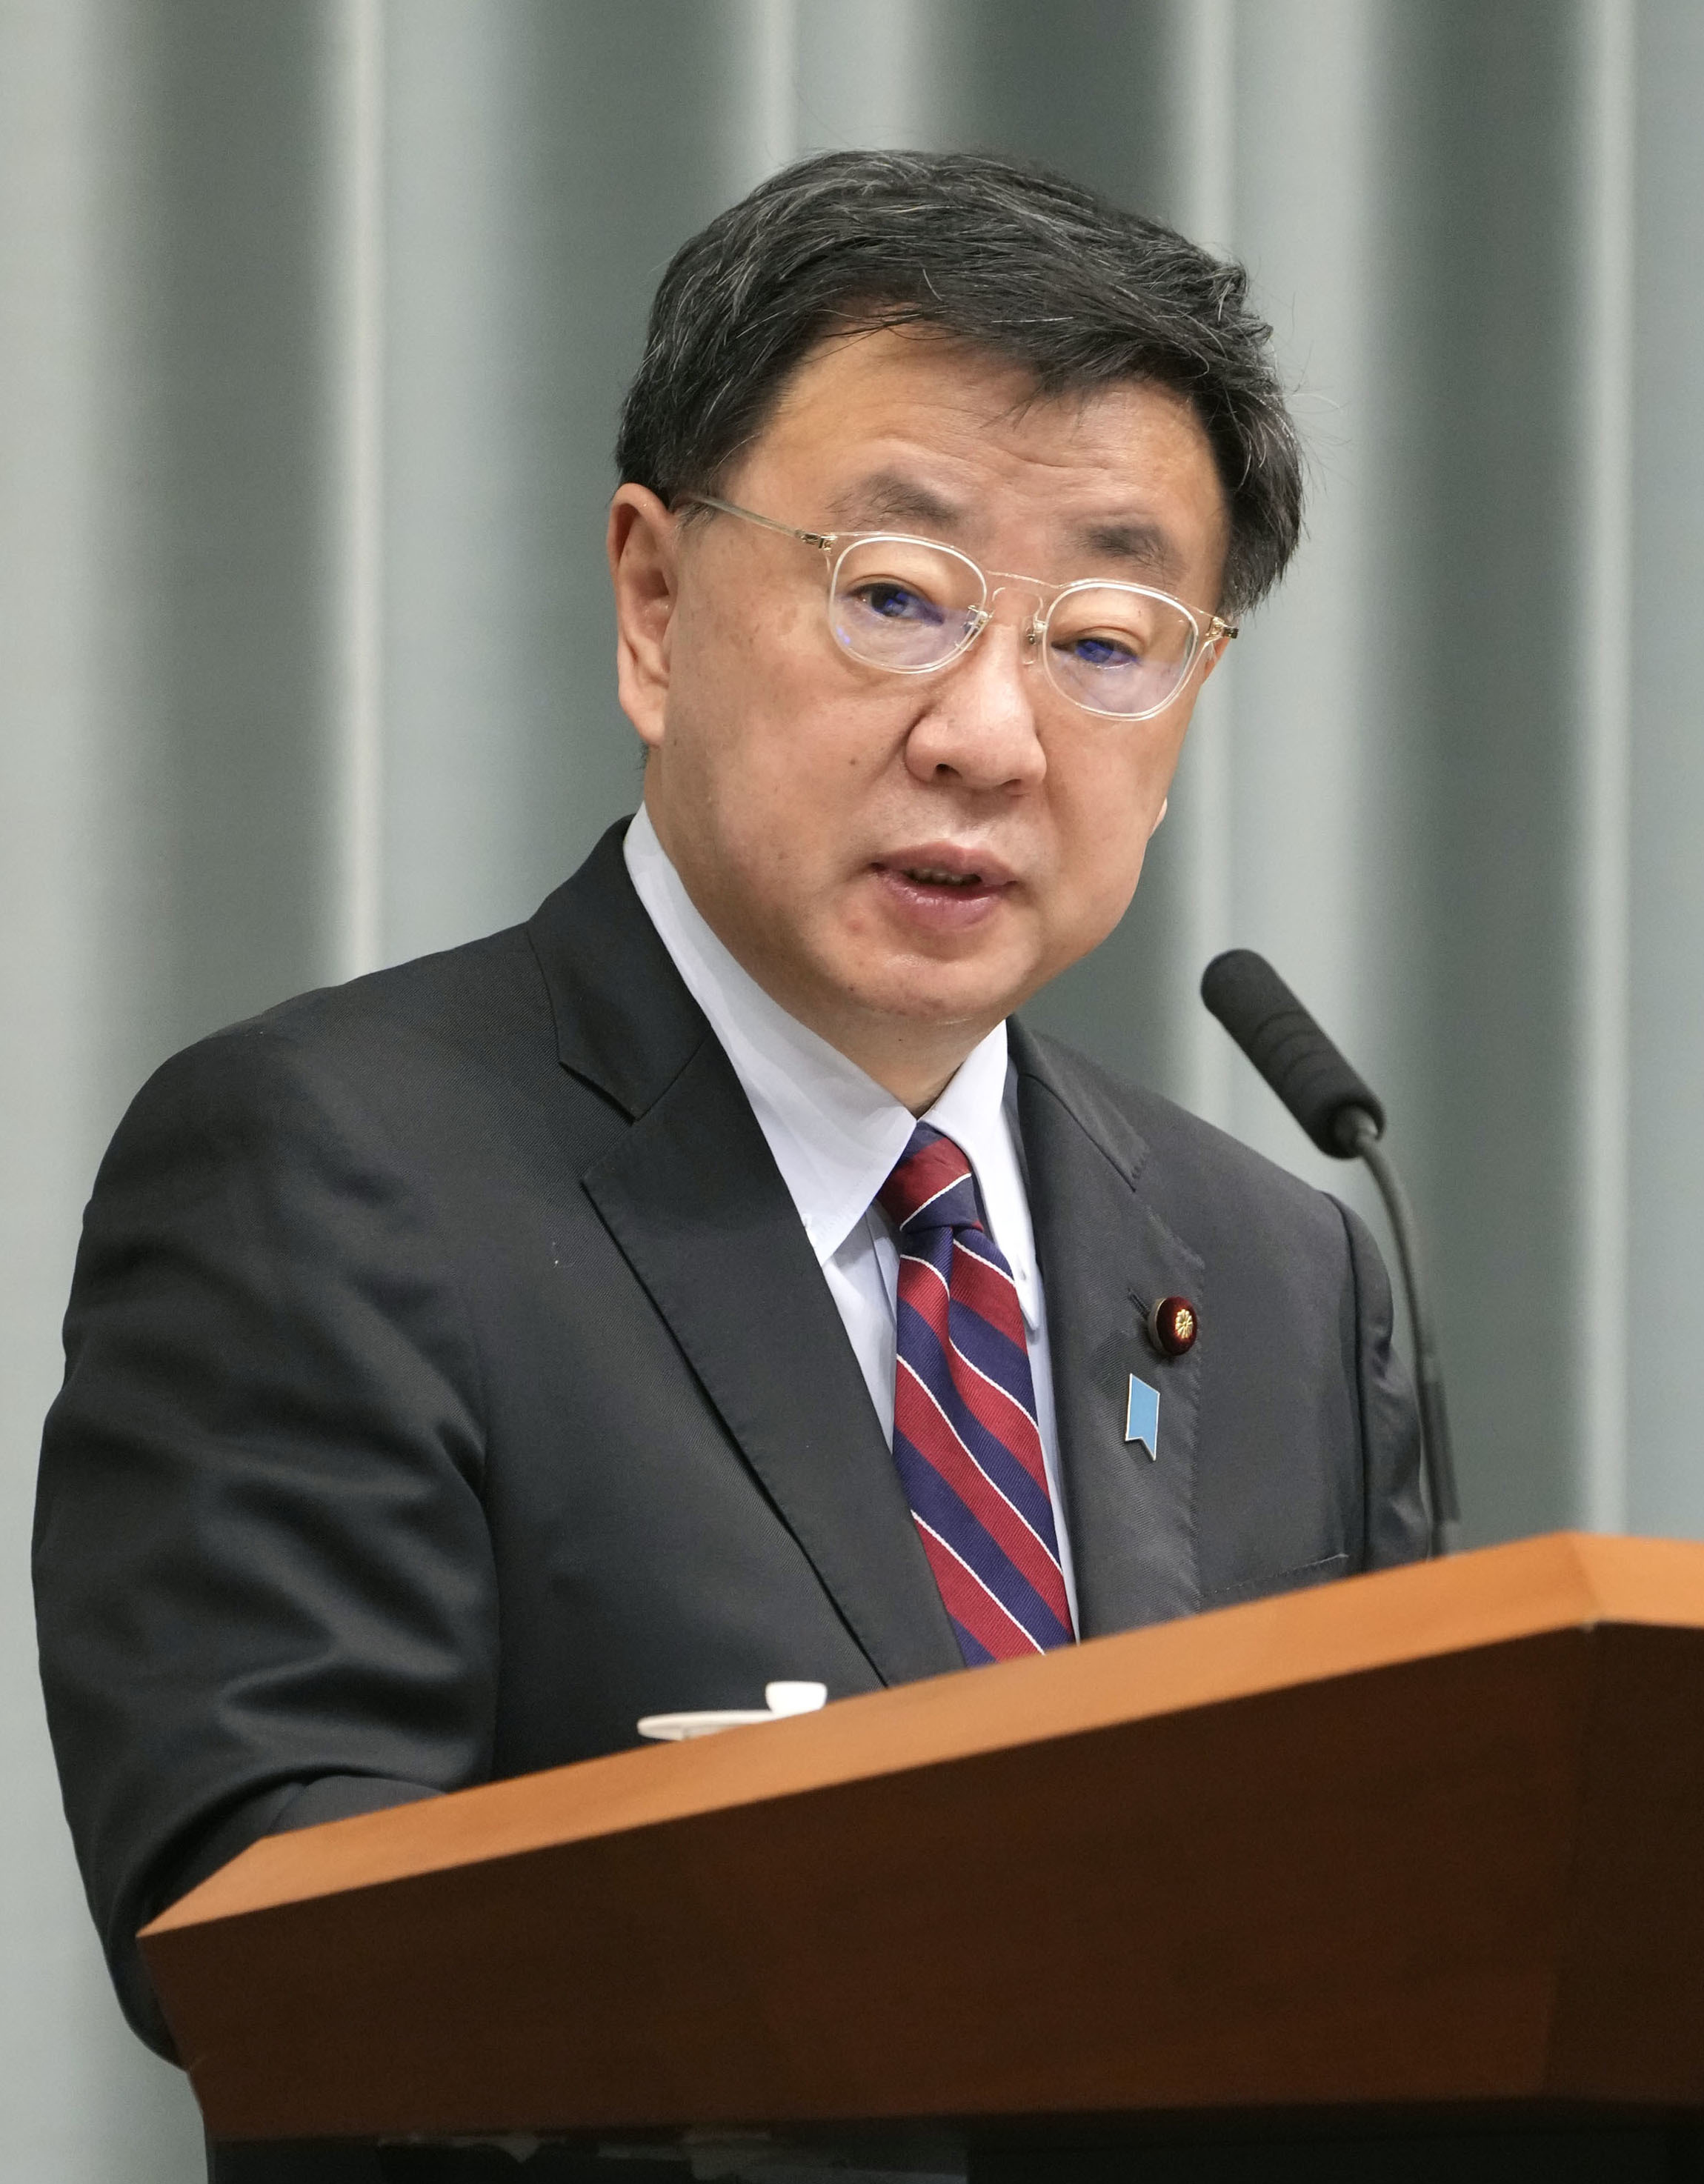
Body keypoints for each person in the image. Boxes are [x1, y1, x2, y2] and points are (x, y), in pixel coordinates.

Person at [34, 148, 1425, 2169]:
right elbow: (276, 1951)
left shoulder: (1278, 1267)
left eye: (1105, 634)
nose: (988, 731)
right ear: (654, 600)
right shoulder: (331, 1170)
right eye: (890, 594)